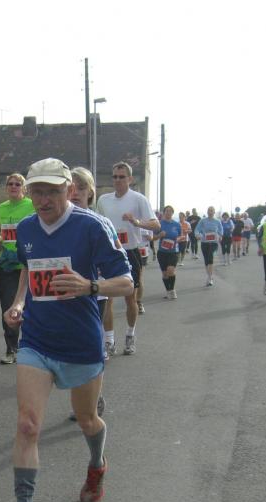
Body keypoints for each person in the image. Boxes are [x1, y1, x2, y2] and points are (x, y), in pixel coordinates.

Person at [0, 158, 133, 502]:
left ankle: (97, 465)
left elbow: (126, 282)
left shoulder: (93, 227)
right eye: (37, 192)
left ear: (70, 191)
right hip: (37, 340)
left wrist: (90, 286)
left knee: (87, 420)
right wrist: (19, 303)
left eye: (52, 192)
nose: (43, 200)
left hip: (80, 342)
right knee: (28, 425)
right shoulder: (27, 228)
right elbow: (29, 270)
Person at [67, 166, 116, 420]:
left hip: (95, 294)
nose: (75, 193)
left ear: (91, 192)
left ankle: (94, 397)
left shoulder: (101, 223)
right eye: (71, 188)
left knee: (90, 348)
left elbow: (115, 262)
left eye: (81, 188)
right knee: (72, 348)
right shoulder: (57, 224)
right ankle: (83, 398)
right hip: (66, 296)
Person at [96, 161, 159, 356]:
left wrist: (136, 222)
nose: (117, 180)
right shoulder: (103, 200)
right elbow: (96, 224)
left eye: (121, 177)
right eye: (115, 176)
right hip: (109, 254)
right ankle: (109, 341)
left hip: (130, 252)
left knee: (130, 298)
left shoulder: (138, 199)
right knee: (106, 298)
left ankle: (130, 335)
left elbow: (156, 225)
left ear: (130, 179)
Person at [0, 173, 35, 364]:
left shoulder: (31, 205)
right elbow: (2, 232)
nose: (13, 186)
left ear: (24, 188)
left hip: (28, 263)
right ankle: (11, 349)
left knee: (32, 306)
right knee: (8, 306)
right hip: (9, 264)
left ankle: (32, 345)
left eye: (18, 184)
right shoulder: (1, 208)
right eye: (10, 184)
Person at [157, 205, 181, 299]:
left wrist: (178, 239)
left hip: (173, 251)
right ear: (164, 213)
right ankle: (168, 291)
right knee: (165, 274)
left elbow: (180, 236)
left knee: (170, 270)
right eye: (166, 211)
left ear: (172, 213)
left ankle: (172, 290)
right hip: (162, 252)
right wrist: (159, 235)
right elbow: (153, 237)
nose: (168, 212)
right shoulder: (159, 224)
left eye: (170, 211)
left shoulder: (176, 224)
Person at [195, 206, 223, 286]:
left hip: (214, 243)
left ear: (214, 212)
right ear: (207, 212)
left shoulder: (217, 221)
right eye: (209, 211)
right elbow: (197, 229)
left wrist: (220, 236)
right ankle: (209, 275)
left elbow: (221, 230)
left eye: (212, 211)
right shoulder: (203, 221)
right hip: (204, 242)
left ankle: (210, 278)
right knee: (206, 260)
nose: (210, 212)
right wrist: (197, 235)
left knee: (210, 257)